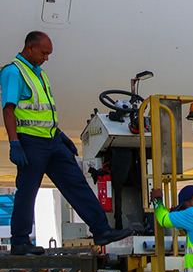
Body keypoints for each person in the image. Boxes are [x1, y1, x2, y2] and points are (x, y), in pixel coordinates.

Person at [2, 31, 131, 255]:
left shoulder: (39, 74)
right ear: (30, 48)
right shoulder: (14, 72)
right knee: (27, 192)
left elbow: (44, 111)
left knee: (76, 183)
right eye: (44, 53)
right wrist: (15, 143)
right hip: (31, 143)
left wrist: (60, 134)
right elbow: (9, 109)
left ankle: (101, 230)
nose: (47, 58)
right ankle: (20, 242)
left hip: (52, 141)